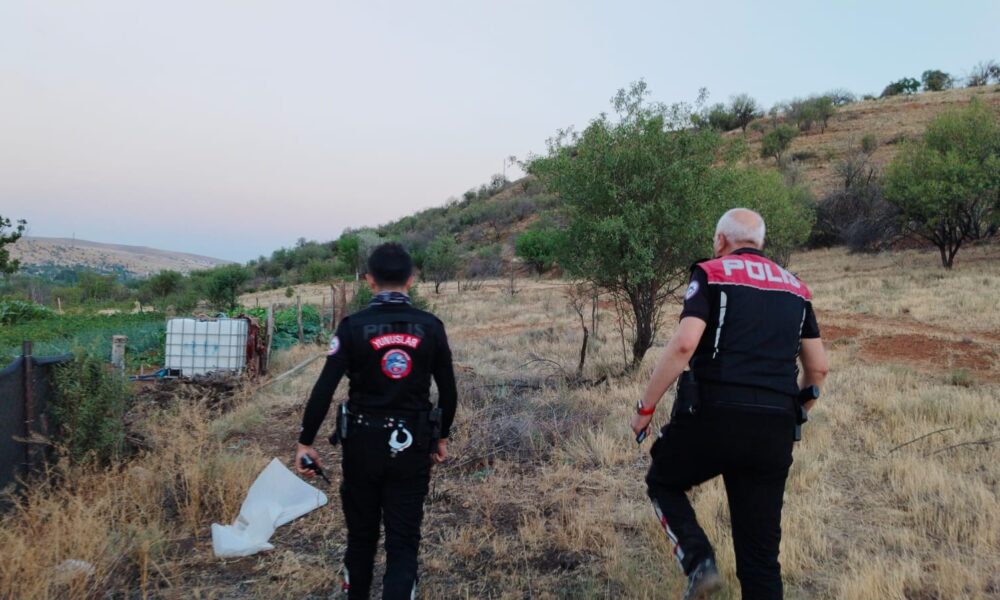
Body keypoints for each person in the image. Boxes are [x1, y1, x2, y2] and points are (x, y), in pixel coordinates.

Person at [630, 208, 829, 600]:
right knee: (760, 560)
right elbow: (818, 368)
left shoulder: (711, 272)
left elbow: (685, 344)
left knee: (663, 481)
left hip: (715, 415)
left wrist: (646, 408)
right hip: (774, 429)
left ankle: (699, 562)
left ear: (721, 240)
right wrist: (797, 415)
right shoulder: (796, 288)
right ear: (760, 243)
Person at [295, 242, 457, 600]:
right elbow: (448, 391)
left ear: (369, 280)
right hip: (413, 444)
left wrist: (306, 442)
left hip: (362, 445)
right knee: (403, 542)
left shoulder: (352, 327)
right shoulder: (431, 327)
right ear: (411, 280)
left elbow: (323, 389)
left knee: (361, 538)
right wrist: (441, 437)